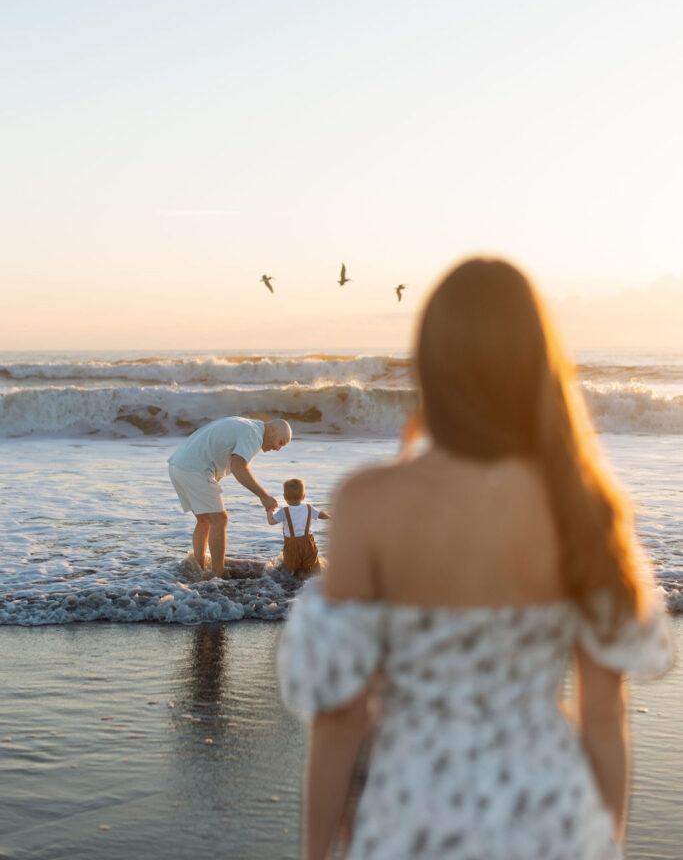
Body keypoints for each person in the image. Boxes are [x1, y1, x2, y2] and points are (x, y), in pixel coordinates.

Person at [278, 258, 673, 860]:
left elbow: (339, 719)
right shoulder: (580, 504)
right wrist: (604, 842)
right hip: (552, 819)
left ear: (431, 364)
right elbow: (602, 720)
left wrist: (315, 854)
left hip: (413, 819)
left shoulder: (370, 502)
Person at [168, 416, 292, 577]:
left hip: (178, 466)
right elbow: (238, 467)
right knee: (220, 520)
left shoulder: (247, 426)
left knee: (205, 520)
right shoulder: (254, 434)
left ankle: (198, 569)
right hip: (194, 469)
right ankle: (217, 576)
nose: (278, 448)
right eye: (281, 442)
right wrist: (263, 496)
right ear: (273, 430)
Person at [267, 478, 331, 575]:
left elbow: (271, 522)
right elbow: (320, 515)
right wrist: (330, 516)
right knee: (314, 568)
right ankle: (315, 584)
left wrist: (269, 510)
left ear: (284, 497)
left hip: (292, 546)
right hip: (308, 544)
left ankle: (292, 586)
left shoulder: (284, 511)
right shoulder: (309, 508)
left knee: (291, 569)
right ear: (303, 496)